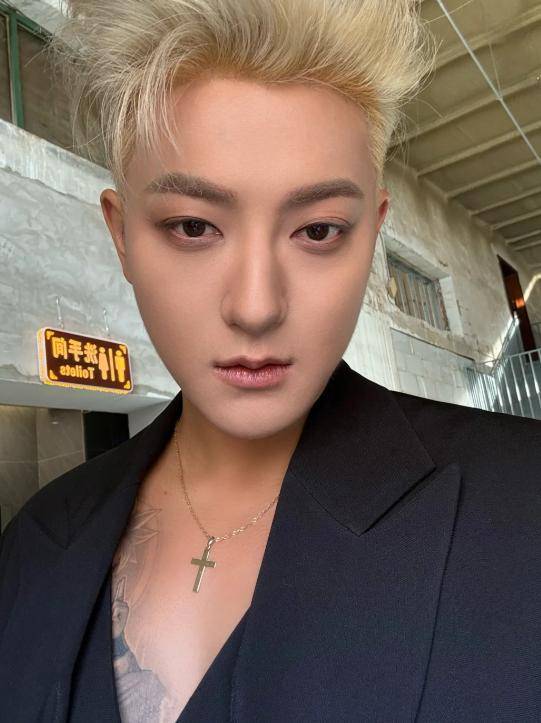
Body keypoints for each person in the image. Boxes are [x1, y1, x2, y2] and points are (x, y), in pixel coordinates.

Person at [1, 0, 540, 721]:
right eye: (193, 226)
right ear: (122, 235)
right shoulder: (36, 541)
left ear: (372, 235)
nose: (255, 306)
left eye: (317, 230)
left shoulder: (521, 508)